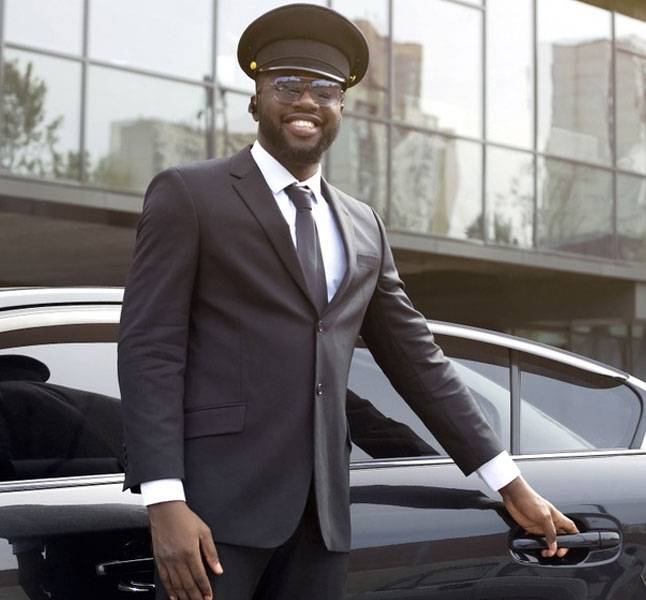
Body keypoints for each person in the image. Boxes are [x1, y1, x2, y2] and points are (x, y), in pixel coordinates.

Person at [118, 4, 577, 600]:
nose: (306, 101)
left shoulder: (364, 227)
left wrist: (511, 484)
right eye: (287, 85)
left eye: (325, 90)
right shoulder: (190, 195)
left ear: (341, 107)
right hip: (213, 515)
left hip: (323, 519)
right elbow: (150, 349)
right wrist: (163, 499)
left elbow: (418, 361)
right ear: (256, 98)